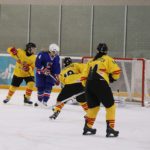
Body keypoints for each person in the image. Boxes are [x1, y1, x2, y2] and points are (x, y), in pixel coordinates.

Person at [81, 43, 121, 137]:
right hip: (101, 83)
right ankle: (110, 129)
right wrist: (112, 78)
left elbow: (83, 77)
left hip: (89, 85)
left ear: (97, 51)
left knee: (93, 107)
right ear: (106, 51)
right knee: (110, 106)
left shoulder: (91, 61)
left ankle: (87, 127)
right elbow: (116, 72)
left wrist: (87, 86)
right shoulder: (108, 59)